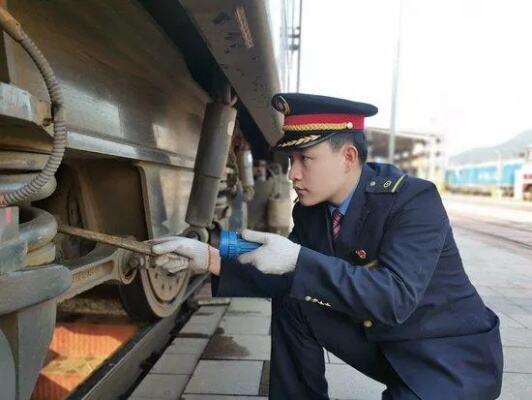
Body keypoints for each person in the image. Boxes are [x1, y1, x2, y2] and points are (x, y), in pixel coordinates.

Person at [151, 93, 503, 400]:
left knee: (301, 275)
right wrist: (209, 256)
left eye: (306, 159)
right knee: (294, 301)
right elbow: (285, 269)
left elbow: (393, 298)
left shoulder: (413, 200)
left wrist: (297, 259)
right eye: (291, 161)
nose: (293, 174)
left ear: (348, 157)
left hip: (446, 358)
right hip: (385, 344)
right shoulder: (313, 211)